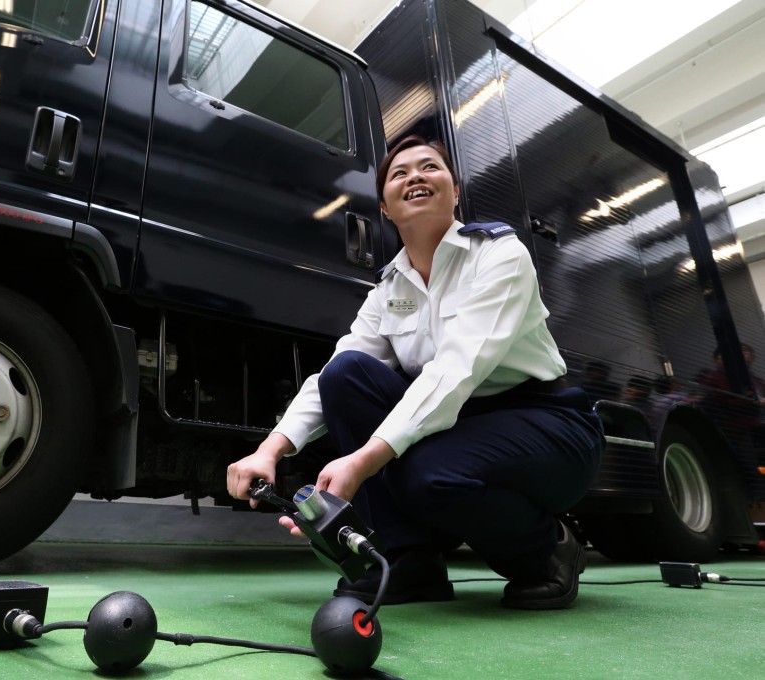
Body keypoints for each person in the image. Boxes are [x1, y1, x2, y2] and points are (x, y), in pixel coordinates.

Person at [226, 134, 604, 610]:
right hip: (461, 425)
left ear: (454, 190)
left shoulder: (499, 254)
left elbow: (456, 370)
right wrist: (269, 451)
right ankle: (409, 562)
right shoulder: (387, 289)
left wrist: (360, 464)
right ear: (385, 207)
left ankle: (548, 551)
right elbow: (331, 381)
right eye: (399, 174)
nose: (415, 177)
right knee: (347, 373)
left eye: (430, 168)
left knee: (427, 474)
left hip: (546, 425)